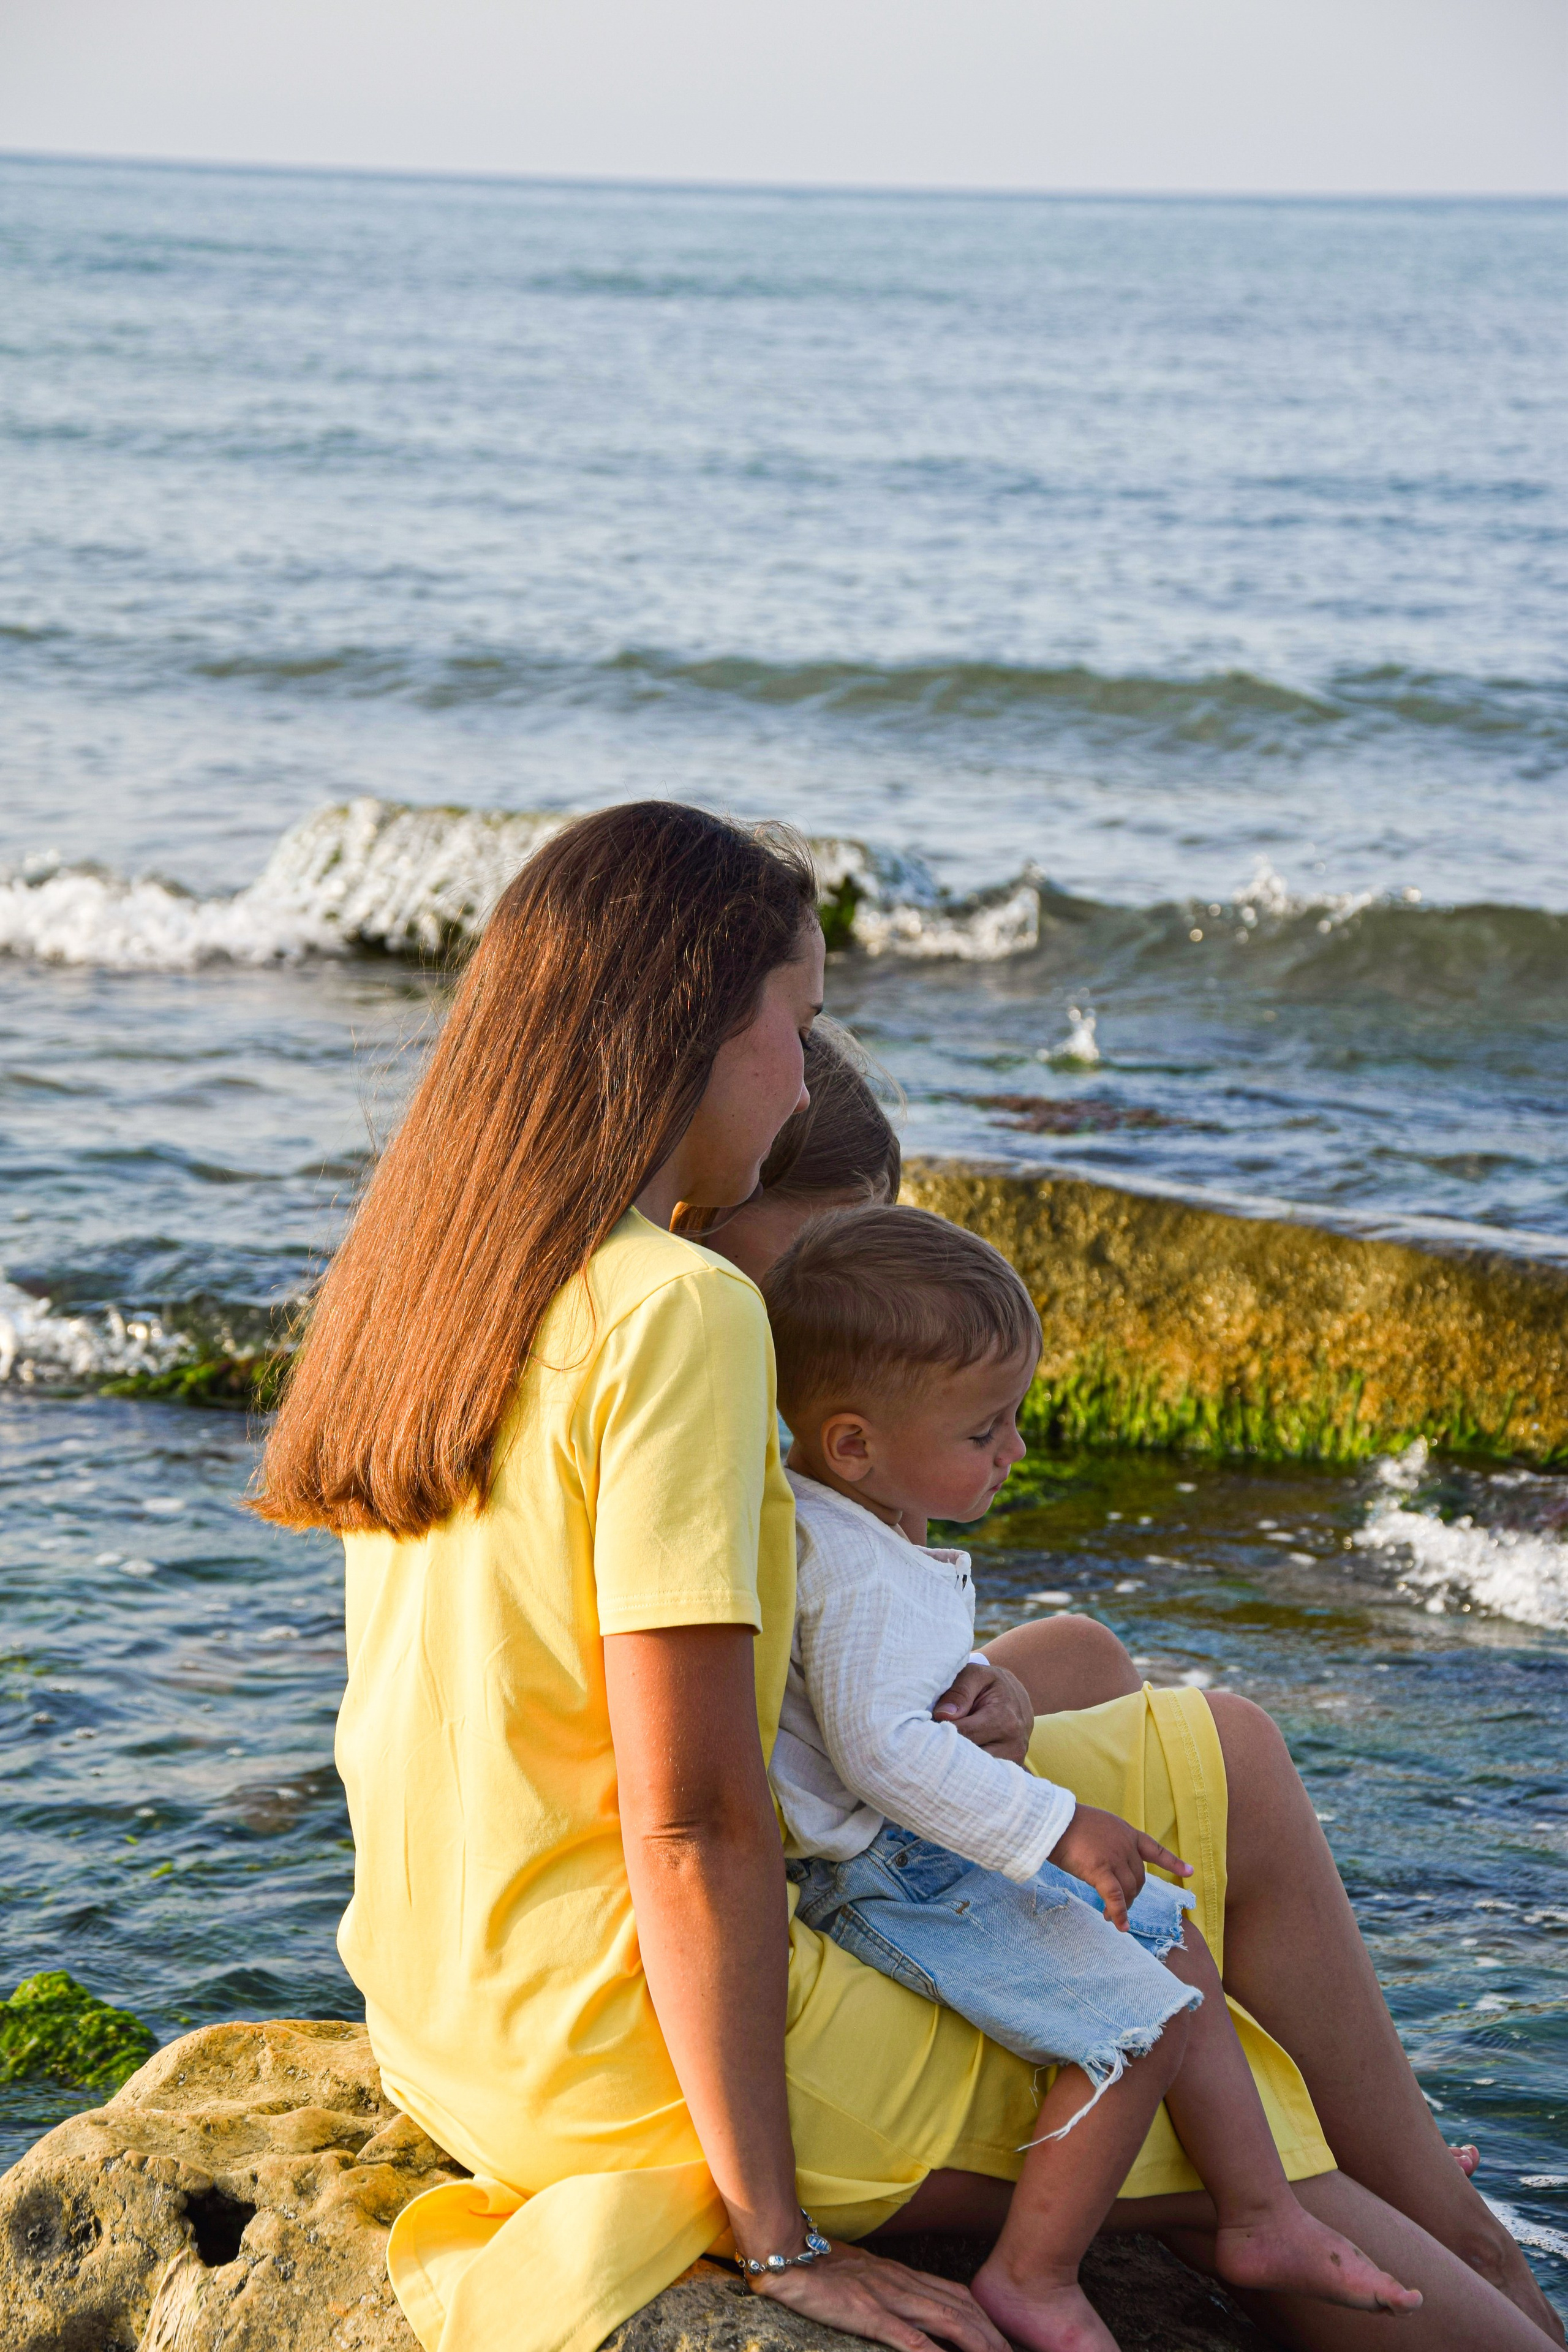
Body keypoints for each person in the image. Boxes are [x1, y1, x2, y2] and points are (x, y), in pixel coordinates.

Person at [251, 802, 1558, 2352]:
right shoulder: (676, 1312)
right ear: (691, 1024)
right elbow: (691, 1821)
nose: (807, 1077)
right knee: (1231, 2099)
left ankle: (1449, 2219)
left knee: (1218, 1754)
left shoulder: (449, 1276)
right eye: (794, 1026)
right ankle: (1460, 2267)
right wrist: (779, 2238)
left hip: (459, 2008)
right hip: (627, 2041)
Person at [703, 1027, 1562, 2348]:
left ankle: (1353, 2166)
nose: (844, 1301)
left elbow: (827, 1679)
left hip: (844, 1827)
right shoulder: (715, 1389)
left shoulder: (768, 1425)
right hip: (841, 1918)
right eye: (820, 1260)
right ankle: (1375, 2193)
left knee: (1093, 1661)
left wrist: (987, 1691)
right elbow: (776, 1780)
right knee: (1225, 1760)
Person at [764, 1204, 1421, 2348]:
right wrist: (1060, 1823)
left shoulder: (858, 1526)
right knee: (1134, 2019)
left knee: (1166, 1929)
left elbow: (862, 1692)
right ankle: (1037, 2272)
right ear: (854, 1444)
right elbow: (879, 1752)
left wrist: (980, 1679)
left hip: (910, 1841)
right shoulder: (854, 1564)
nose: (1015, 1449)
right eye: (986, 1431)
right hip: (884, 1871)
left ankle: (1261, 2208)